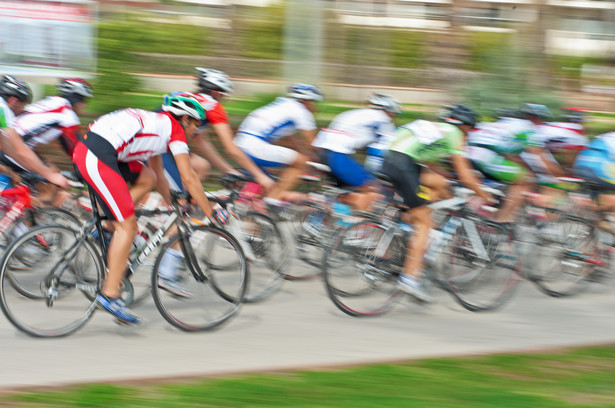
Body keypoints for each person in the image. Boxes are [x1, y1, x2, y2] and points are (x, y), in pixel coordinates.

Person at [73, 93, 220, 325]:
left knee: (147, 176)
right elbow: (189, 177)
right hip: (96, 155)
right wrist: (210, 213)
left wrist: (173, 205)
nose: (197, 130)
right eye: (196, 123)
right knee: (129, 227)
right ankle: (110, 294)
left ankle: (110, 224)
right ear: (184, 119)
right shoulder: (174, 129)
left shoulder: (158, 126)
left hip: (99, 150)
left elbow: (159, 174)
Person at [381, 104, 493, 302]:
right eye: (470, 129)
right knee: (426, 223)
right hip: (404, 165)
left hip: (390, 161)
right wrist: (484, 194)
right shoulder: (454, 134)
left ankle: (407, 225)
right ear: (465, 127)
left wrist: (451, 178)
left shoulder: (435, 129)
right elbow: (466, 176)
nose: (469, 134)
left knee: (439, 184)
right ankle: (409, 279)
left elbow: (430, 165)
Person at [160, 68, 274, 195]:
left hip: (156, 142)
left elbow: (203, 142)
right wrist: (259, 176)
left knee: (201, 166)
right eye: (222, 95)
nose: (222, 99)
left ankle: (174, 207)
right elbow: (231, 148)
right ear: (215, 93)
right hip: (155, 146)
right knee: (179, 196)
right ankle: (168, 209)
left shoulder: (191, 99)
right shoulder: (212, 106)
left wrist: (228, 170)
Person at [233, 83, 324, 206]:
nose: (314, 106)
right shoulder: (301, 110)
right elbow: (313, 142)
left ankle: (253, 217)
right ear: (307, 101)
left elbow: (292, 139)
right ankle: (273, 201)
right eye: (313, 102)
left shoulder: (283, 105)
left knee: (266, 189)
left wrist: (307, 154)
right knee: (300, 162)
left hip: (242, 144)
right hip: (254, 145)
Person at [0, 78, 92, 195]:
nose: (84, 105)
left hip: (12, 148)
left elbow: (9, 146)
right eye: (83, 101)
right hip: (17, 146)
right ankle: (37, 209)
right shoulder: (67, 113)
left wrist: (38, 169)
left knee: (44, 172)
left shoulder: (52, 102)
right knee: (50, 182)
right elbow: (76, 148)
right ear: (13, 101)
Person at [311, 92, 400, 211]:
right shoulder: (384, 120)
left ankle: (328, 219)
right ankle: (359, 225)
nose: (393, 116)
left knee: (347, 190)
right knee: (372, 187)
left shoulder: (353, 113)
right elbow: (383, 150)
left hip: (324, 154)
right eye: (393, 112)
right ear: (388, 109)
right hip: (338, 156)